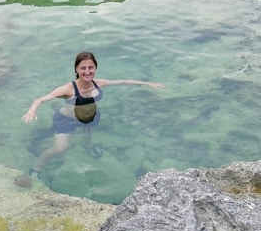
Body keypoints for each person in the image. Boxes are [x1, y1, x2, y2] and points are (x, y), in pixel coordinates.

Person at [21, 51, 164, 179]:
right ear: (76, 69)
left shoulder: (99, 83)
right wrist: (32, 110)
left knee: (87, 133)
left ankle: (87, 146)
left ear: (95, 68)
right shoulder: (68, 89)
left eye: (91, 67)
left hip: (89, 116)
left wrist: (147, 83)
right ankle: (37, 166)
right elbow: (40, 100)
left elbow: (124, 81)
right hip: (66, 120)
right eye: (83, 68)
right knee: (60, 148)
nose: (87, 72)